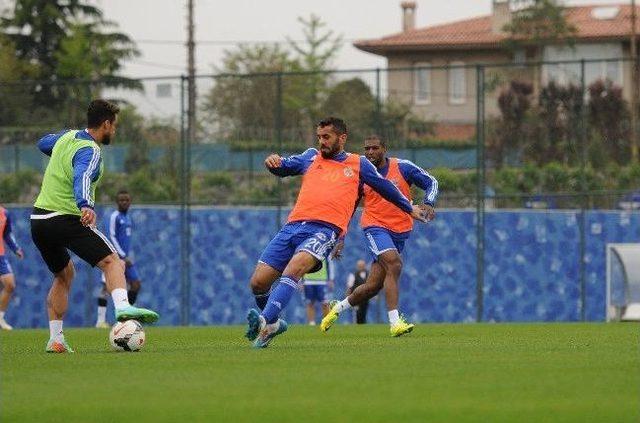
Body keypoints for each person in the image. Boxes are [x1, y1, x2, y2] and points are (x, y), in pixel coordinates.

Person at [245, 117, 427, 348]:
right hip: (292, 227)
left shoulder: (358, 163)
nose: (322, 142)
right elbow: (284, 167)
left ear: (342, 138)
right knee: (258, 283)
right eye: (319, 137)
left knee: (294, 268)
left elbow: (386, 188)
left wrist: (409, 207)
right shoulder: (311, 156)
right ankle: (273, 325)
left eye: (326, 137)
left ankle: (264, 320)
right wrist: (272, 162)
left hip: (324, 229)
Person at [30, 99, 159, 353]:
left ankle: (56, 339)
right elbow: (83, 175)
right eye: (115, 126)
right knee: (113, 262)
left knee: (64, 274)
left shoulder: (67, 139)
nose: (115, 131)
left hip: (38, 221)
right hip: (64, 217)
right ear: (106, 124)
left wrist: (64, 145)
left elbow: (43, 142)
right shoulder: (91, 149)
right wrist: (86, 204)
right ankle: (122, 307)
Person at [321, 135, 438, 337]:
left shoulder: (403, 167)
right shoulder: (362, 173)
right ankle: (395, 323)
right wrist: (341, 237)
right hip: (375, 226)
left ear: (384, 149)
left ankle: (337, 308)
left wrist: (429, 202)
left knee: (372, 286)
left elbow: (431, 182)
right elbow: (349, 207)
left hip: (400, 230)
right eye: (367, 149)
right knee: (394, 263)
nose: (370, 152)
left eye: (375, 148)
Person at [95, 189, 142, 328]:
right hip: (114, 258)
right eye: (121, 200)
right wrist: (121, 255)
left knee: (135, 285)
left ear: (130, 201)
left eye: (126, 200)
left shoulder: (128, 218)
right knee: (106, 287)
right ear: (117, 202)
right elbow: (112, 237)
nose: (124, 202)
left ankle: (128, 318)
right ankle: (100, 321)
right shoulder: (114, 216)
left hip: (125, 258)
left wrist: (126, 256)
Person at [0, 206, 24, 330]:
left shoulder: (4, 213)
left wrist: (15, 249)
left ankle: (0, 318)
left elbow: (7, 234)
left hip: (0, 255)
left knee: (10, 284)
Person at [303, 257, 335, 325]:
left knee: (325, 303)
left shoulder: (325, 251)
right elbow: (301, 264)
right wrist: (300, 280)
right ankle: (311, 323)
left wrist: (331, 279)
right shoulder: (306, 249)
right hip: (308, 281)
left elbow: (330, 265)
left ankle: (327, 322)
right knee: (309, 303)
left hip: (322, 281)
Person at [345, 259, 369, 324]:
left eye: (362, 266)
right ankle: (356, 325)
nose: (361, 267)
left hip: (366, 298)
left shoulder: (369, 274)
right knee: (357, 313)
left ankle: (363, 325)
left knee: (364, 312)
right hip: (356, 298)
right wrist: (348, 297)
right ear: (357, 266)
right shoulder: (353, 275)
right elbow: (349, 287)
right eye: (360, 266)